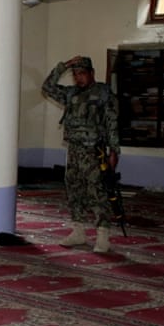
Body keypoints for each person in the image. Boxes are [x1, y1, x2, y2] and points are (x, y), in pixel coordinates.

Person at [42, 55, 120, 253]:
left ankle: (103, 235)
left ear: (92, 73)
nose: (78, 78)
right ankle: (78, 231)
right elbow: (47, 87)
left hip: (94, 151)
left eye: (82, 74)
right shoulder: (71, 94)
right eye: (75, 74)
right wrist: (64, 65)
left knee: (97, 191)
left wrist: (114, 150)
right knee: (74, 190)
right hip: (74, 150)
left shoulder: (103, 93)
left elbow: (112, 123)